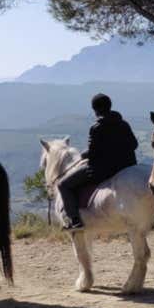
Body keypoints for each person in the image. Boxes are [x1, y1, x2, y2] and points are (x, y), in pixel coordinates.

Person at [57, 93, 138, 231]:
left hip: (103, 170)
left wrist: (84, 154)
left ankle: (75, 221)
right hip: (127, 166)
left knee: (63, 185)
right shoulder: (123, 123)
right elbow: (134, 144)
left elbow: (93, 154)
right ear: (110, 106)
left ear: (95, 109)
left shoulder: (96, 128)